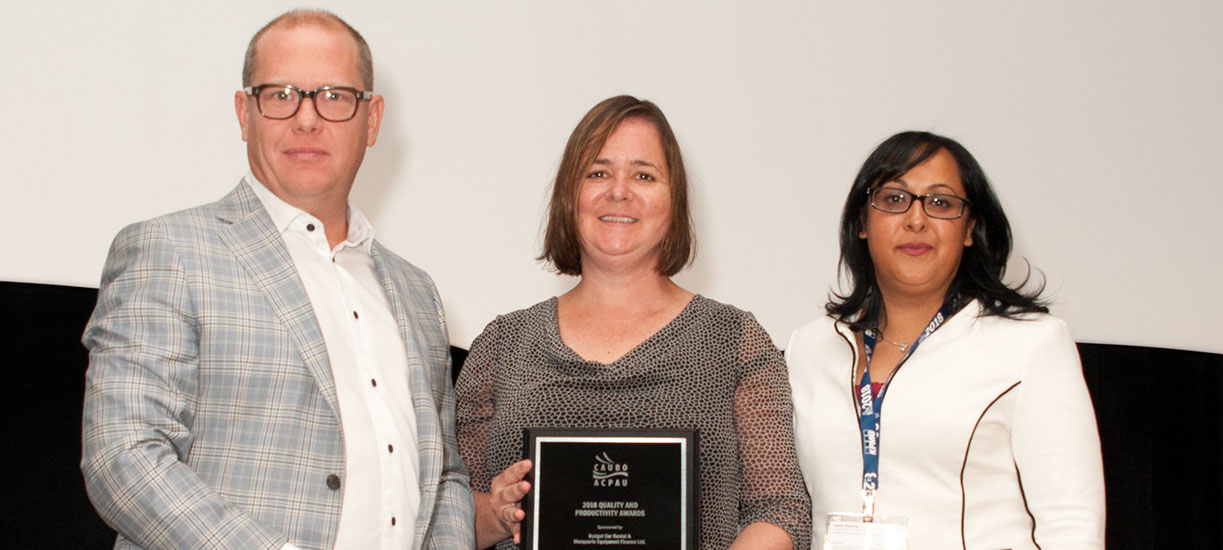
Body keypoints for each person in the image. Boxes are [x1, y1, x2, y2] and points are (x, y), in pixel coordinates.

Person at [80, 10, 473, 550]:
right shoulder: (169, 251)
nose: (306, 119)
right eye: (281, 94)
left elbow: (443, 473)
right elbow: (123, 456)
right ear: (245, 113)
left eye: (334, 96)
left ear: (373, 118)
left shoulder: (416, 291)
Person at [455, 95, 810, 550]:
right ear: (570, 194)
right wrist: (498, 513)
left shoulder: (734, 340)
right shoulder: (503, 344)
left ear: (673, 199)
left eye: (644, 175)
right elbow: (449, 510)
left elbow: (780, 510)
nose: (618, 190)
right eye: (598, 173)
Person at [786, 131, 1105, 549]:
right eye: (894, 199)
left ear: (970, 228)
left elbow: (1072, 525)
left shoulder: (1030, 344)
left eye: (941, 203)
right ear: (862, 222)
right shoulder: (807, 349)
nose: (916, 220)